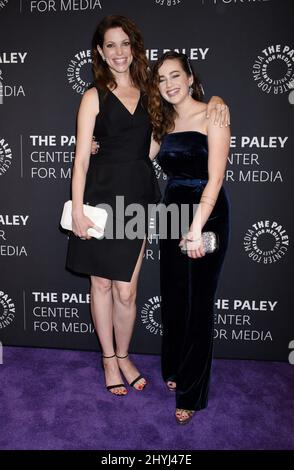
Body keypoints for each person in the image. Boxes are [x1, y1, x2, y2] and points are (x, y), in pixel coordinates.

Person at [68, 15, 229, 397]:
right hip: (99, 197)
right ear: (100, 52)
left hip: (138, 201)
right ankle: (109, 358)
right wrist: (77, 208)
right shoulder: (92, 96)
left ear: (134, 48)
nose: (119, 52)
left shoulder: (151, 93)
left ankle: (124, 354)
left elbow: (181, 124)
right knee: (101, 284)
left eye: (125, 44)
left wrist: (217, 99)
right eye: (111, 45)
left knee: (127, 291)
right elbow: (81, 158)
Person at [148, 51, 231, 424]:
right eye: (162, 78)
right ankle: (176, 368)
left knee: (198, 305)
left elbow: (215, 177)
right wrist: (98, 148)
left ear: (190, 75)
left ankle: (192, 395)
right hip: (171, 212)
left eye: (175, 75)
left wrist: (196, 227)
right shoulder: (161, 122)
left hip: (206, 212)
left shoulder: (213, 113)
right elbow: (137, 157)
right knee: (175, 297)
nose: (169, 84)